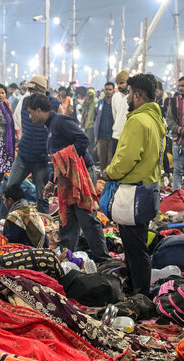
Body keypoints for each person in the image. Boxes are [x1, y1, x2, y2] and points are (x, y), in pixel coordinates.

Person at [29, 92, 111, 263]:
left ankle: (104, 259)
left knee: (86, 217)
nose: (30, 117)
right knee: (68, 220)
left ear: (38, 110)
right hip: (67, 178)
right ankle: (67, 258)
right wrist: (52, 182)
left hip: (81, 174)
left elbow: (83, 140)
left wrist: (65, 157)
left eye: (30, 112)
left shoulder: (60, 121)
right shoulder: (50, 126)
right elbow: (57, 159)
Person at [105, 73, 166, 296]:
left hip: (133, 192)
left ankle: (140, 293)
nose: (128, 97)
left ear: (138, 95)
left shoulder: (137, 120)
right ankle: (135, 287)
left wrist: (109, 172)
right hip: (149, 188)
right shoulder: (156, 120)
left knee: (136, 247)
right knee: (136, 244)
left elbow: (126, 158)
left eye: (130, 93)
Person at [5, 75, 60, 213]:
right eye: (30, 90)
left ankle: (42, 226)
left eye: (34, 91)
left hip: (41, 160)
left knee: (42, 195)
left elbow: (57, 132)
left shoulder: (55, 104)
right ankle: (5, 220)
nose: (31, 93)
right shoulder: (25, 102)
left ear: (43, 91)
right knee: (10, 189)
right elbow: (22, 125)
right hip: (23, 155)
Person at [1, 180, 47, 247]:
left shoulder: (15, 216)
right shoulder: (31, 209)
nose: (4, 203)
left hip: (30, 251)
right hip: (42, 248)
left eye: (4, 200)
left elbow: (11, 240)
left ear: (10, 201)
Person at [94, 81, 125, 173]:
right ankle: (102, 182)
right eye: (106, 89)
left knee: (111, 160)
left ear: (113, 91)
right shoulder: (99, 104)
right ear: (104, 90)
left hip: (113, 137)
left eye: (110, 89)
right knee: (102, 160)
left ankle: (110, 181)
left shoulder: (116, 104)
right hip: (102, 137)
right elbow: (95, 118)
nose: (108, 91)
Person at [79, 88, 97, 163]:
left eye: (91, 94)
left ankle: (90, 159)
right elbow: (83, 111)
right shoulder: (86, 102)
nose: (89, 96)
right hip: (85, 124)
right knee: (86, 141)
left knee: (90, 142)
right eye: (88, 94)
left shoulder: (95, 102)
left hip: (91, 125)